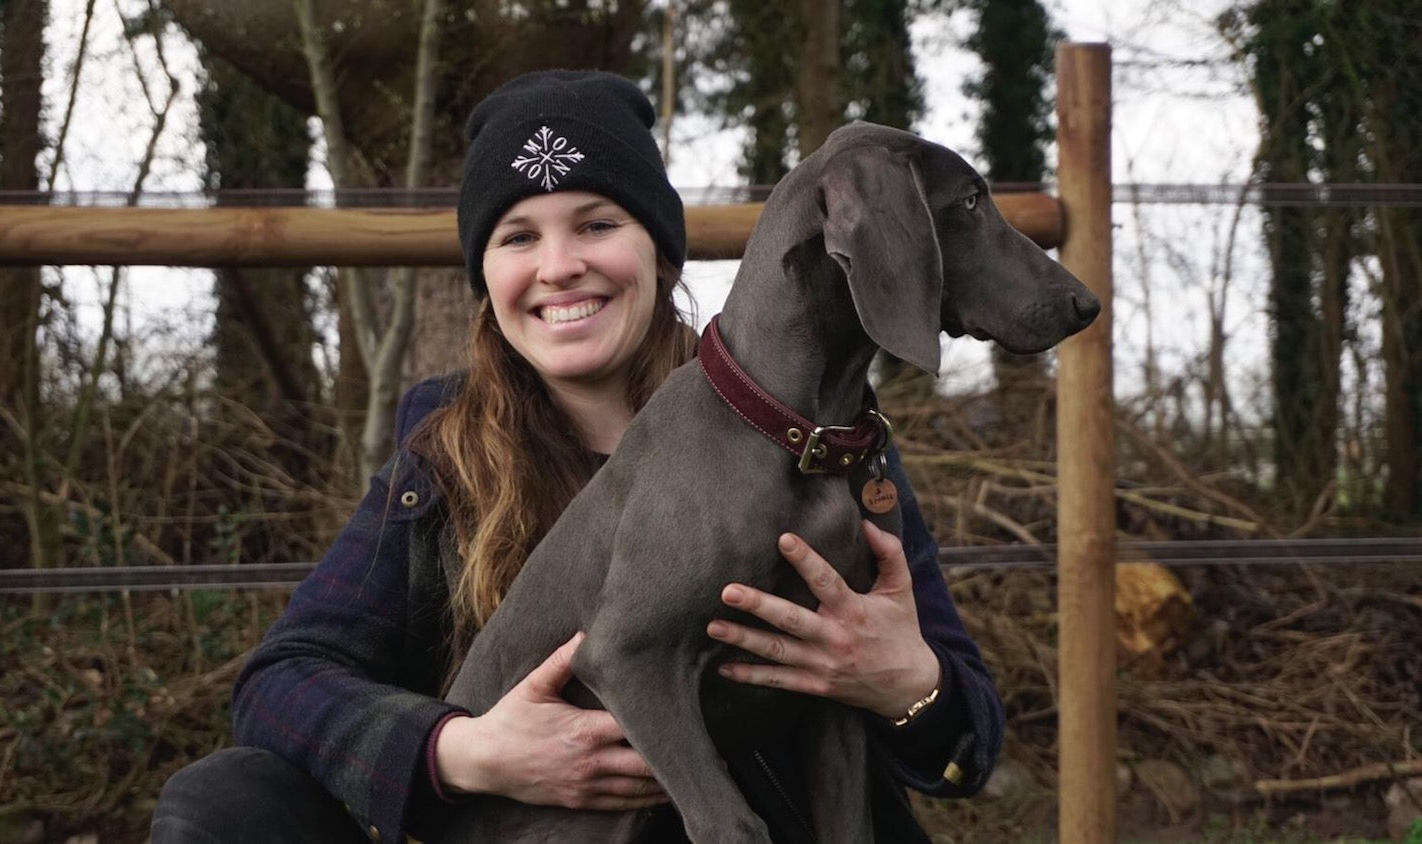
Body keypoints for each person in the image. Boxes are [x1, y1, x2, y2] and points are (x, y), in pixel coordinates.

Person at [151, 69, 1003, 844]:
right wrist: (464, 751)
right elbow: (280, 682)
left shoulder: (815, 433)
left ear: (657, 250)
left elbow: (967, 741)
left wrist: (906, 683)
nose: (559, 267)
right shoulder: (443, 454)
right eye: (518, 237)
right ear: (485, 275)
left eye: (597, 223)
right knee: (225, 802)